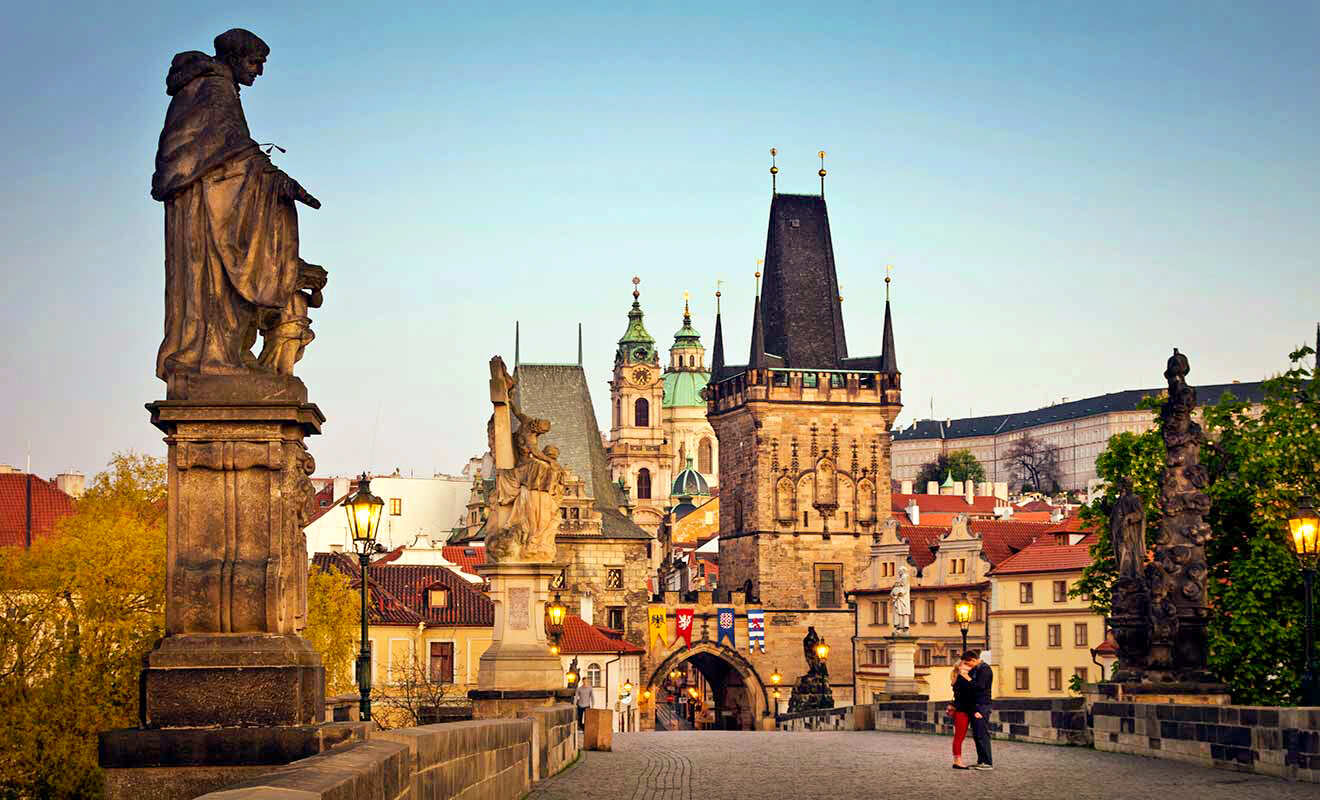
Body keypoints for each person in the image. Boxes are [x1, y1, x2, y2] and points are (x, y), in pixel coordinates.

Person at [964, 650, 995, 770]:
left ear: (973, 659)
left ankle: (987, 762)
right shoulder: (976, 669)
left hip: (982, 705)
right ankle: (981, 760)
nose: (968, 665)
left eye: (968, 663)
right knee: (977, 734)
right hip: (976, 705)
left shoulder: (985, 669)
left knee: (982, 734)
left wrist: (968, 678)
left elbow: (980, 687)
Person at [946, 659, 976, 769]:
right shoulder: (962, 679)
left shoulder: (959, 679)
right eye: (966, 664)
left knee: (959, 737)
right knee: (959, 737)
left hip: (962, 710)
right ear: (960, 667)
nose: (969, 666)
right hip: (962, 711)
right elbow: (972, 691)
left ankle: (957, 760)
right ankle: (957, 761)